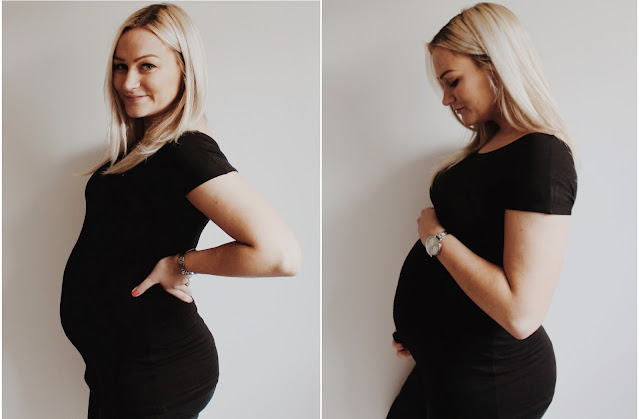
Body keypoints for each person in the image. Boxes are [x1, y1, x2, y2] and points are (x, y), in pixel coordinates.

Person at [60, 4, 301, 418]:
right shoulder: (148, 148)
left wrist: (181, 263)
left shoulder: (185, 150)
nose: (128, 82)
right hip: (122, 366)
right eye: (120, 66)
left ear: (184, 70)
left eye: (146, 66)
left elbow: (280, 255)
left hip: (156, 371)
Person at [388, 3, 577, 418]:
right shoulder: (487, 148)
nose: (445, 99)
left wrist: (435, 238)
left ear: (495, 65)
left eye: (452, 81)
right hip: (449, 363)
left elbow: (521, 314)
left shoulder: (542, 156)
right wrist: (427, 330)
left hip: (493, 379)